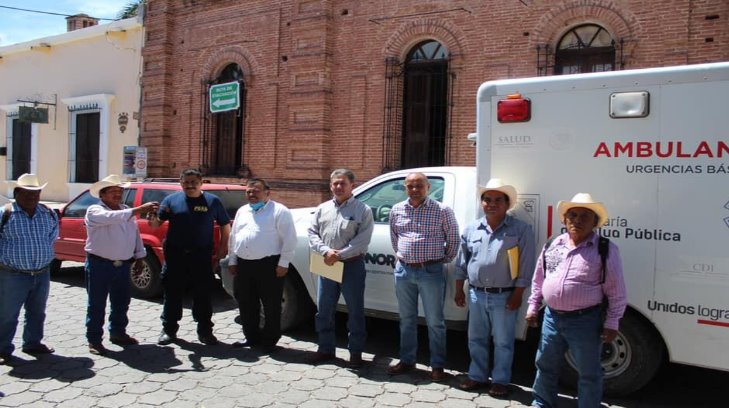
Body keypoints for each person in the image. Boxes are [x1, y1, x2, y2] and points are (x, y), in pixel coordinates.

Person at [526, 193, 627, 408]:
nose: (577, 220)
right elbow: (539, 278)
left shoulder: (605, 249)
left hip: (585, 321)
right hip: (551, 318)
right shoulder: (553, 244)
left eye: (585, 216)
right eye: (572, 215)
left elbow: (616, 292)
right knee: (545, 365)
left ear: (595, 222)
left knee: (589, 372)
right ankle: (542, 403)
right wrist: (533, 306)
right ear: (564, 219)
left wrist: (612, 322)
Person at [454, 179, 535, 396]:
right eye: (487, 199)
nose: (492, 203)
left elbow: (526, 266)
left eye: (498, 200)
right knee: (476, 339)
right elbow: (463, 262)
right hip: (476, 294)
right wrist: (458, 288)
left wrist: (518, 294)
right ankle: (477, 376)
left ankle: (500, 380)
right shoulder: (472, 228)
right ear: (482, 203)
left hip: (504, 296)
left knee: (503, 342)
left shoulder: (520, 230)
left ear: (507, 204)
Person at [387, 172, 459, 382]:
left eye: (419, 186)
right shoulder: (396, 209)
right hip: (404, 271)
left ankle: (437, 365)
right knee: (406, 319)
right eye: (410, 186)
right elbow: (395, 238)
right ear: (405, 188)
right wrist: (405, 256)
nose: (415, 190)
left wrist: (440, 260)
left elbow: (453, 239)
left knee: (435, 321)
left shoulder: (442, 210)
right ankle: (407, 360)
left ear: (428, 187)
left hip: (431, 271)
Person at [150, 168, 231, 346]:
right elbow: (156, 224)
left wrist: (222, 250)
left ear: (201, 182)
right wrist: (151, 215)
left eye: (193, 182)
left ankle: (205, 331)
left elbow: (225, 226)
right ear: (180, 183)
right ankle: (169, 330)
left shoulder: (213, 201)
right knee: (172, 293)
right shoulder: (171, 200)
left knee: (202, 294)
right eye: (186, 182)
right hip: (175, 255)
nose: (190, 185)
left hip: (200, 256)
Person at [84, 175, 159, 355]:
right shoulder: (95, 210)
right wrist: (138, 209)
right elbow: (111, 217)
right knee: (97, 303)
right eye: (113, 192)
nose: (117, 194)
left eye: (120, 191)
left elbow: (135, 236)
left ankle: (118, 332)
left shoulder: (125, 210)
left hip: (123, 265)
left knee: (121, 301)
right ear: (102, 195)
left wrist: (140, 257)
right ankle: (94, 339)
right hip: (99, 264)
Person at [307, 169, 374, 367]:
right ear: (330, 185)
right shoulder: (323, 208)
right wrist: (326, 251)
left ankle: (355, 353)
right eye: (335, 183)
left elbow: (362, 240)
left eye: (342, 183)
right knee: (324, 310)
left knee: (355, 311)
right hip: (326, 263)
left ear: (352, 185)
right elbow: (312, 232)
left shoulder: (363, 210)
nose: (338, 187)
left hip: (351, 265)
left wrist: (339, 255)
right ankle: (325, 349)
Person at [228, 178, 296, 353]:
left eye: (256, 191)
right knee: (246, 302)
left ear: (267, 192)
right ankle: (251, 336)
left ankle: (270, 340)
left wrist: (284, 263)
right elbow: (234, 237)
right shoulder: (243, 211)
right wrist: (233, 260)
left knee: (271, 304)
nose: (252, 194)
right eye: (249, 191)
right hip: (244, 265)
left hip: (269, 265)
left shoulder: (279, 211)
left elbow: (290, 240)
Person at [0, 174, 58, 365]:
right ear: (16, 193)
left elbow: (51, 238)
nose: (32, 197)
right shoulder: (5, 213)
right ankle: (3, 348)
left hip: (41, 273)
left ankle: (33, 343)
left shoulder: (48, 213)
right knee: (8, 314)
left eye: (36, 193)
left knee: (37, 311)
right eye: (27, 193)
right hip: (12, 274)